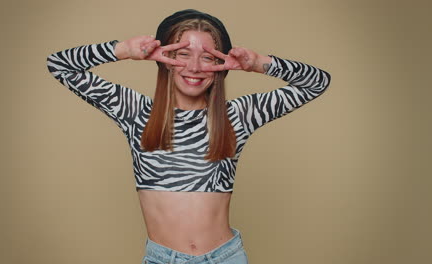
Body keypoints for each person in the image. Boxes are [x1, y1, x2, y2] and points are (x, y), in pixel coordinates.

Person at [46, 9, 331, 264]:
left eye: (207, 57)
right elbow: (59, 65)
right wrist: (125, 50)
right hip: (162, 259)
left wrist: (257, 63)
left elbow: (317, 82)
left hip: (226, 258)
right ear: (165, 59)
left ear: (221, 64)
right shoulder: (135, 112)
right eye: (183, 54)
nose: (194, 67)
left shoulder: (238, 116)